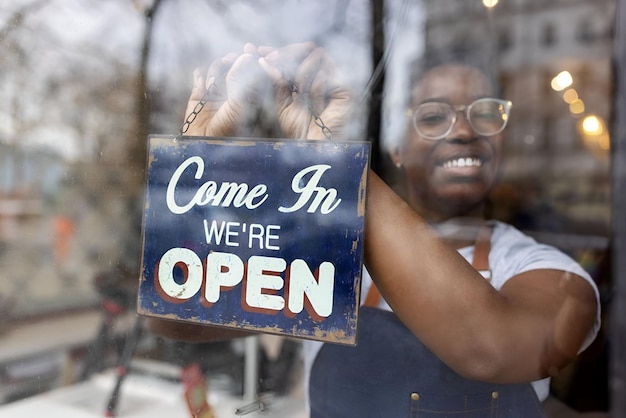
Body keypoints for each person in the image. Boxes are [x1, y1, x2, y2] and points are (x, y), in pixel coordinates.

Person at [147, 42, 601, 417]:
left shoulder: (546, 270)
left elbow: (493, 346)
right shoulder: (323, 251)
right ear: (397, 148)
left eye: (485, 114)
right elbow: (173, 315)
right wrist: (202, 166)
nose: (463, 131)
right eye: (432, 116)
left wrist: (334, 163)